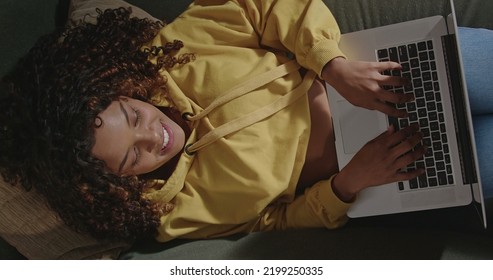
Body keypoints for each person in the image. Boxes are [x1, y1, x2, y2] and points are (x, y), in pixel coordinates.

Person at [0, 0, 489, 243]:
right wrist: (347, 184)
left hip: (379, 74)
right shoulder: (166, 216)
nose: (155, 135)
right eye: (134, 155)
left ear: (118, 90)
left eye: (133, 115)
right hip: (389, 167)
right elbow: (270, 220)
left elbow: (265, 6)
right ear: (114, 183)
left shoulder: (170, 49)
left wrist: (332, 66)